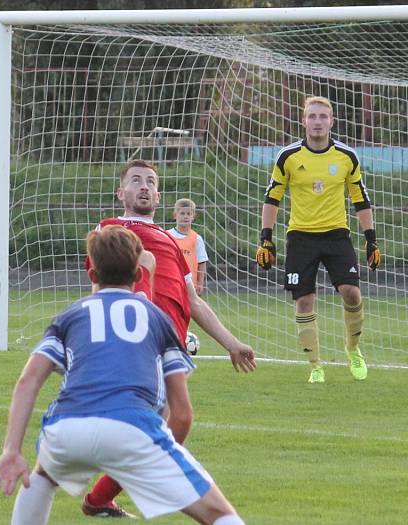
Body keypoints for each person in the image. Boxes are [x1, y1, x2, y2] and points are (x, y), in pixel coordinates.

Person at [0, 225, 245, 525]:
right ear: (139, 276)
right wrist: (156, 455)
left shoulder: (70, 316)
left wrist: (11, 449)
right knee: (219, 514)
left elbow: (28, 380)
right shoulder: (158, 319)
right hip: (133, 428)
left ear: (92, 275)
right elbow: (182, 414)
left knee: (43, 476)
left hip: (67, 428)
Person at [82, 159, 256, 518]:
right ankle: (194, 502)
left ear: (159, 196)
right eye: (135, 181)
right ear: (121, 193)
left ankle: (100, 499)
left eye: (150, 182)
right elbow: (99, 286)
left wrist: (232, 343)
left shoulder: (170, 242)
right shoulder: (111, 229)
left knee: (159, 427)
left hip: (171, 346)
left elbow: (193, 302)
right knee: (164, 424)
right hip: (136, 341)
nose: (144, 186)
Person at [256, 96, 380, 384]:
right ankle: (315, 366)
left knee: (352, 293)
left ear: (332, 121)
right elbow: (272, 197)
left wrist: (371, 240)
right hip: (300, 237)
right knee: (304, 301)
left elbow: (360, 198)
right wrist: (266, 239)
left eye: (323, 116)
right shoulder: (288, 156)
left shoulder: (346, 156)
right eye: (312, 116)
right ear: (304, 121)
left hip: (337, 234)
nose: (318, 121)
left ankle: (353, 348)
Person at [168, 198, 209, 295]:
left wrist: (200, 283)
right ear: (175, 215)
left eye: (188, 214)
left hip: (190, 287)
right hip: (171, 284)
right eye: (182, 213)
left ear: (193, 216)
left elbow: (202, 262)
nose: (185, 217)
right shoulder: (167, 236)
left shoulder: (197, 238)